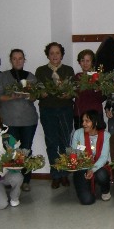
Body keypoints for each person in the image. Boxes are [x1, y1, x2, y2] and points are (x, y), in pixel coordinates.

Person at [0, 49, 39, 191]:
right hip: (9, 120)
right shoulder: (3, 76)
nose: (18, 61)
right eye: (14, 58)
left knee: (26, 150)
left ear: (24, 60)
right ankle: (12, 180)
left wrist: (28, 95)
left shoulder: (31, 76)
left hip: (28, 120)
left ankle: (26, 180)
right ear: (11, 60)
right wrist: (11, 97)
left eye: (20, 58)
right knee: (10, 151)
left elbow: (35, 97)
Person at [35, 42, 75, 189]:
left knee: (65, 142)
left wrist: (69, 95)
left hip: (65, 109)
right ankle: (56, 174)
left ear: (62, 54)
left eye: (57, 53)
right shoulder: (41, 71)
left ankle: (65, 174)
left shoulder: (68, 70)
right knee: (51, 143)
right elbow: (37, 91)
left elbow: (73, 90)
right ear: (48, 55)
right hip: (48, 110)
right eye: (52, 53)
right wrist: (42, 94)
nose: (55, 56)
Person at [70, 110, 111, 205]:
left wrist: (92, 169)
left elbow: (104, 157)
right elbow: (74, 152)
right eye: (83, 121)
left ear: (95, 122)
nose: (83, 123)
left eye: (87, 121)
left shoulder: (106, 135)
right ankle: (88, 188)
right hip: (82, 167)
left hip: (98, 166)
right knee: (87, 200)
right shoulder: (78, 133)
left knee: (102, 175)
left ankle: (105, 190)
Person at [73, 49, 105, 129]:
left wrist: (99, 89)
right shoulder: (77, 77)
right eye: (82, 60)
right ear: (79, 62)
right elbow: (73, 93)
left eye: (88, 61)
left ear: (92, 62)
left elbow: (103, 97)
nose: (85, 63)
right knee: (81, 139)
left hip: (95, 114)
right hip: (80, 113)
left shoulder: (98, 76)